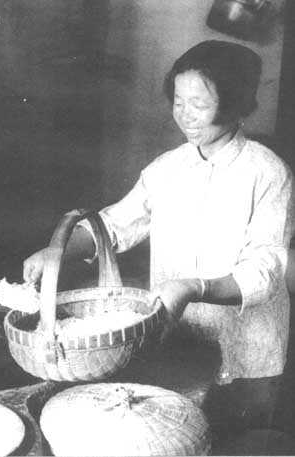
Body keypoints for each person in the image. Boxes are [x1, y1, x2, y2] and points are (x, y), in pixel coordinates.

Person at [23, 40, 295, 438]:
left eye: (199, 104)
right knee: (174, 436)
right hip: (178, 338)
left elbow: (266, 268)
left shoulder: (268, 172)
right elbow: (114, 225)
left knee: (238, 441)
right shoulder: (167, 168)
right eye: (178, 101)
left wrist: (193, 287)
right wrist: (56, 252)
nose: (185, 115)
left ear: (236, 105)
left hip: (245, 348)